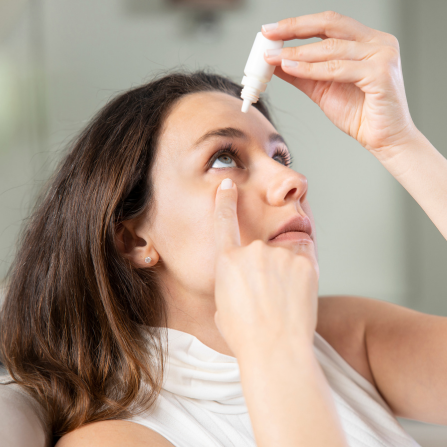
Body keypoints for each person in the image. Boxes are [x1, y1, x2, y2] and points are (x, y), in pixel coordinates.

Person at [1, 10, 446, 447]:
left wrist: (401, 144)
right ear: (134, 238)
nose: (293, 181)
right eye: (223, 158)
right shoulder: (115, 439)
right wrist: (272, 349)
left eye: (279, 157)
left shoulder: (340, 337)